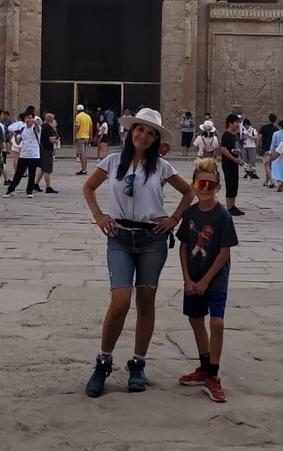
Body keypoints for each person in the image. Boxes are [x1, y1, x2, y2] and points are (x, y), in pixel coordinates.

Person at [82, 108, 194, 398]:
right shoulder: (113, 161)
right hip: (119, 237)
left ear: (156, 138)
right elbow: (89, 186)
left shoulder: (161, 166)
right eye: (139, 130)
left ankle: (138, 363)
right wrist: (99, 216)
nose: (143, 135)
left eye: (150, 132)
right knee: (119, 301)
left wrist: (174, 219)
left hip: (151, 239)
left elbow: (189, 192)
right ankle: (103, 361)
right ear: (131, 132)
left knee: (146, 301)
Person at [176, 157, 239, 403]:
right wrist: (187, 278)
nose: (205, 189)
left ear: (218, 188)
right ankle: (204, 364)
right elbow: (183, 246)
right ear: (193, 186)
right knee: (195, 319)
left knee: (217, 323)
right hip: (193, 274)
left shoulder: (222, 216)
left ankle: (213, 372)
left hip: (215, 279)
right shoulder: (190, 212)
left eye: (210, 185)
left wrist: (205, 281)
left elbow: (225, 251)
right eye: (200, 184)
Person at [6, 111, 43, 198]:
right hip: (23, 154)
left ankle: (29, 191)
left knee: (31, 174)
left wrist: (35, 122)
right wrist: (15, 136)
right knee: (18, 173)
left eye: (29, 118)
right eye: (26, 118)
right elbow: (18, 142)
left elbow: (38, 127)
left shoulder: (36, 128)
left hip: (33, 155)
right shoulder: (23, 129)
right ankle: (11, 189)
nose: (27, 120)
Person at [217, 114, 246, 217]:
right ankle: (229, 207)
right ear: (230, 123)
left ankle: (233, 205)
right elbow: (224, 150)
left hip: (234, 163)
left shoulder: (233, 136)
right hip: (229, 163)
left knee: (234, 183)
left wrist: (237, 153)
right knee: (230, 184)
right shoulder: (226, 135)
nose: (238, 125)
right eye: (236, 122)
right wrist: (234, 159)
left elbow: (231, 148)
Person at [39, 112, 59, 194]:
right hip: (47, 149)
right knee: (47, 169)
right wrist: (56, 140)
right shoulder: (49, 128)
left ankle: (36, 184)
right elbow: (51, 140)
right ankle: (48, 187)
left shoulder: (42, 127)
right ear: (51, 119)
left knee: (43, 169)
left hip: (43, 149)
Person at [258, 113, 277, 188]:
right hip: (273, 150)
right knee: (269, 166)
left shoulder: (263, 128)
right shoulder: (276, 129)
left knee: (266, 165)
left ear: (269, 119)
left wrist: (257, 146)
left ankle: (271, 181)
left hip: (265, 149)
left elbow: (259, 137)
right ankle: (266, 181)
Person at [74, 104, 93, 175]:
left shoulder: (78, 116)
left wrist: (75, 136)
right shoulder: (88, 116)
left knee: (82, 154)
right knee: (84, 154)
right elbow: (91, 127)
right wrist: (90, 135)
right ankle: (84, 168)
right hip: (86, 137)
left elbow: (77, 127)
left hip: (80, 137)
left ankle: (83, 169)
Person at [268, 122, 283, 193]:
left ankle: (279, 182)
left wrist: (271, 152)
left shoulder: (276, 133)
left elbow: (273, 144)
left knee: (277, 169)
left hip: (277, 151)